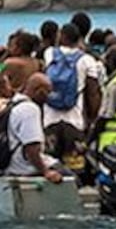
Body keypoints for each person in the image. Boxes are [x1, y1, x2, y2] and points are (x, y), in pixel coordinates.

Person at [42, 23, 102, 181]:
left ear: (62, 36)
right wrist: (92, 119)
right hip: (74, 121)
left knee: (51, 163)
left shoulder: (49, 54)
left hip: (49, 120)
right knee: (75, 168)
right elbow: (93, 93)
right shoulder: (87, 60)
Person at [5, 73, 64, 183]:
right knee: (73, 179)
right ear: (39, 91)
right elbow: (31, 148)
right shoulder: (30, 109)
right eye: (48, 92)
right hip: (25, 167)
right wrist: (46, 172)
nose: (48, 98)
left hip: (11, 162)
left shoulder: (13, 102)